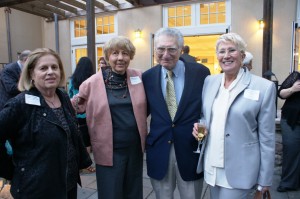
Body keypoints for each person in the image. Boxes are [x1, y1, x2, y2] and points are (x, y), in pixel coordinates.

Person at [192, 32, 276, 199]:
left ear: (242, 55)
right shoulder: (210, 81)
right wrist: (200, 126)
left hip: (240, 169)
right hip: (212, 165)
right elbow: (205, 115)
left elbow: (267, 137)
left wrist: (264, 181)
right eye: (222, 51)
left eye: (232, 50)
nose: (226, 56)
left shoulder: (263, 87)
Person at [0, 48, 92, 198]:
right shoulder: (20, 104)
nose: (50, 72)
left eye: (54, 67)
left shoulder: (62, 96)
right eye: (43, 68)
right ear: (31, 74)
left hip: (67, 184)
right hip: (37, 188)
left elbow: (70, 133)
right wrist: (13, 170)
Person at [71, 36, 147, 199]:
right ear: (107, 56)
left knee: (133, 191)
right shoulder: (91, 83)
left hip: (134, 148)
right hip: (108, 149)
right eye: (115, 53)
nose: (120, 58)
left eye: (125, 53)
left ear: (130, 56)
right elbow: (75, 105)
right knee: (110, 193)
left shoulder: (139, 77)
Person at [142, 27, 210, 199]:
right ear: (154, 50)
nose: (166, 54)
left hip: (190, 149)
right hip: (159, 150)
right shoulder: (147, 77)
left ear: (181, 49)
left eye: (171, 49)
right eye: (160, 49)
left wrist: (202, 131)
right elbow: (140, 109)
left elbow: (208, 109)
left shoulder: (200, 73)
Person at [68, 56, 95, 173]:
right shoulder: (91, 80)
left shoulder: (72, 80)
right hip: (88, 114)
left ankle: (79, 164)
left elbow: (69, 95)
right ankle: (86, 165)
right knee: (87, 141)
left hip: (76, 114)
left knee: (78, 140)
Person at [277, 71, 300, 192]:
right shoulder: (296, 76)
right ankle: (287, 183)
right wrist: (293, 89)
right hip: (292, 120)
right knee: (291, 150)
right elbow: (280, 94)